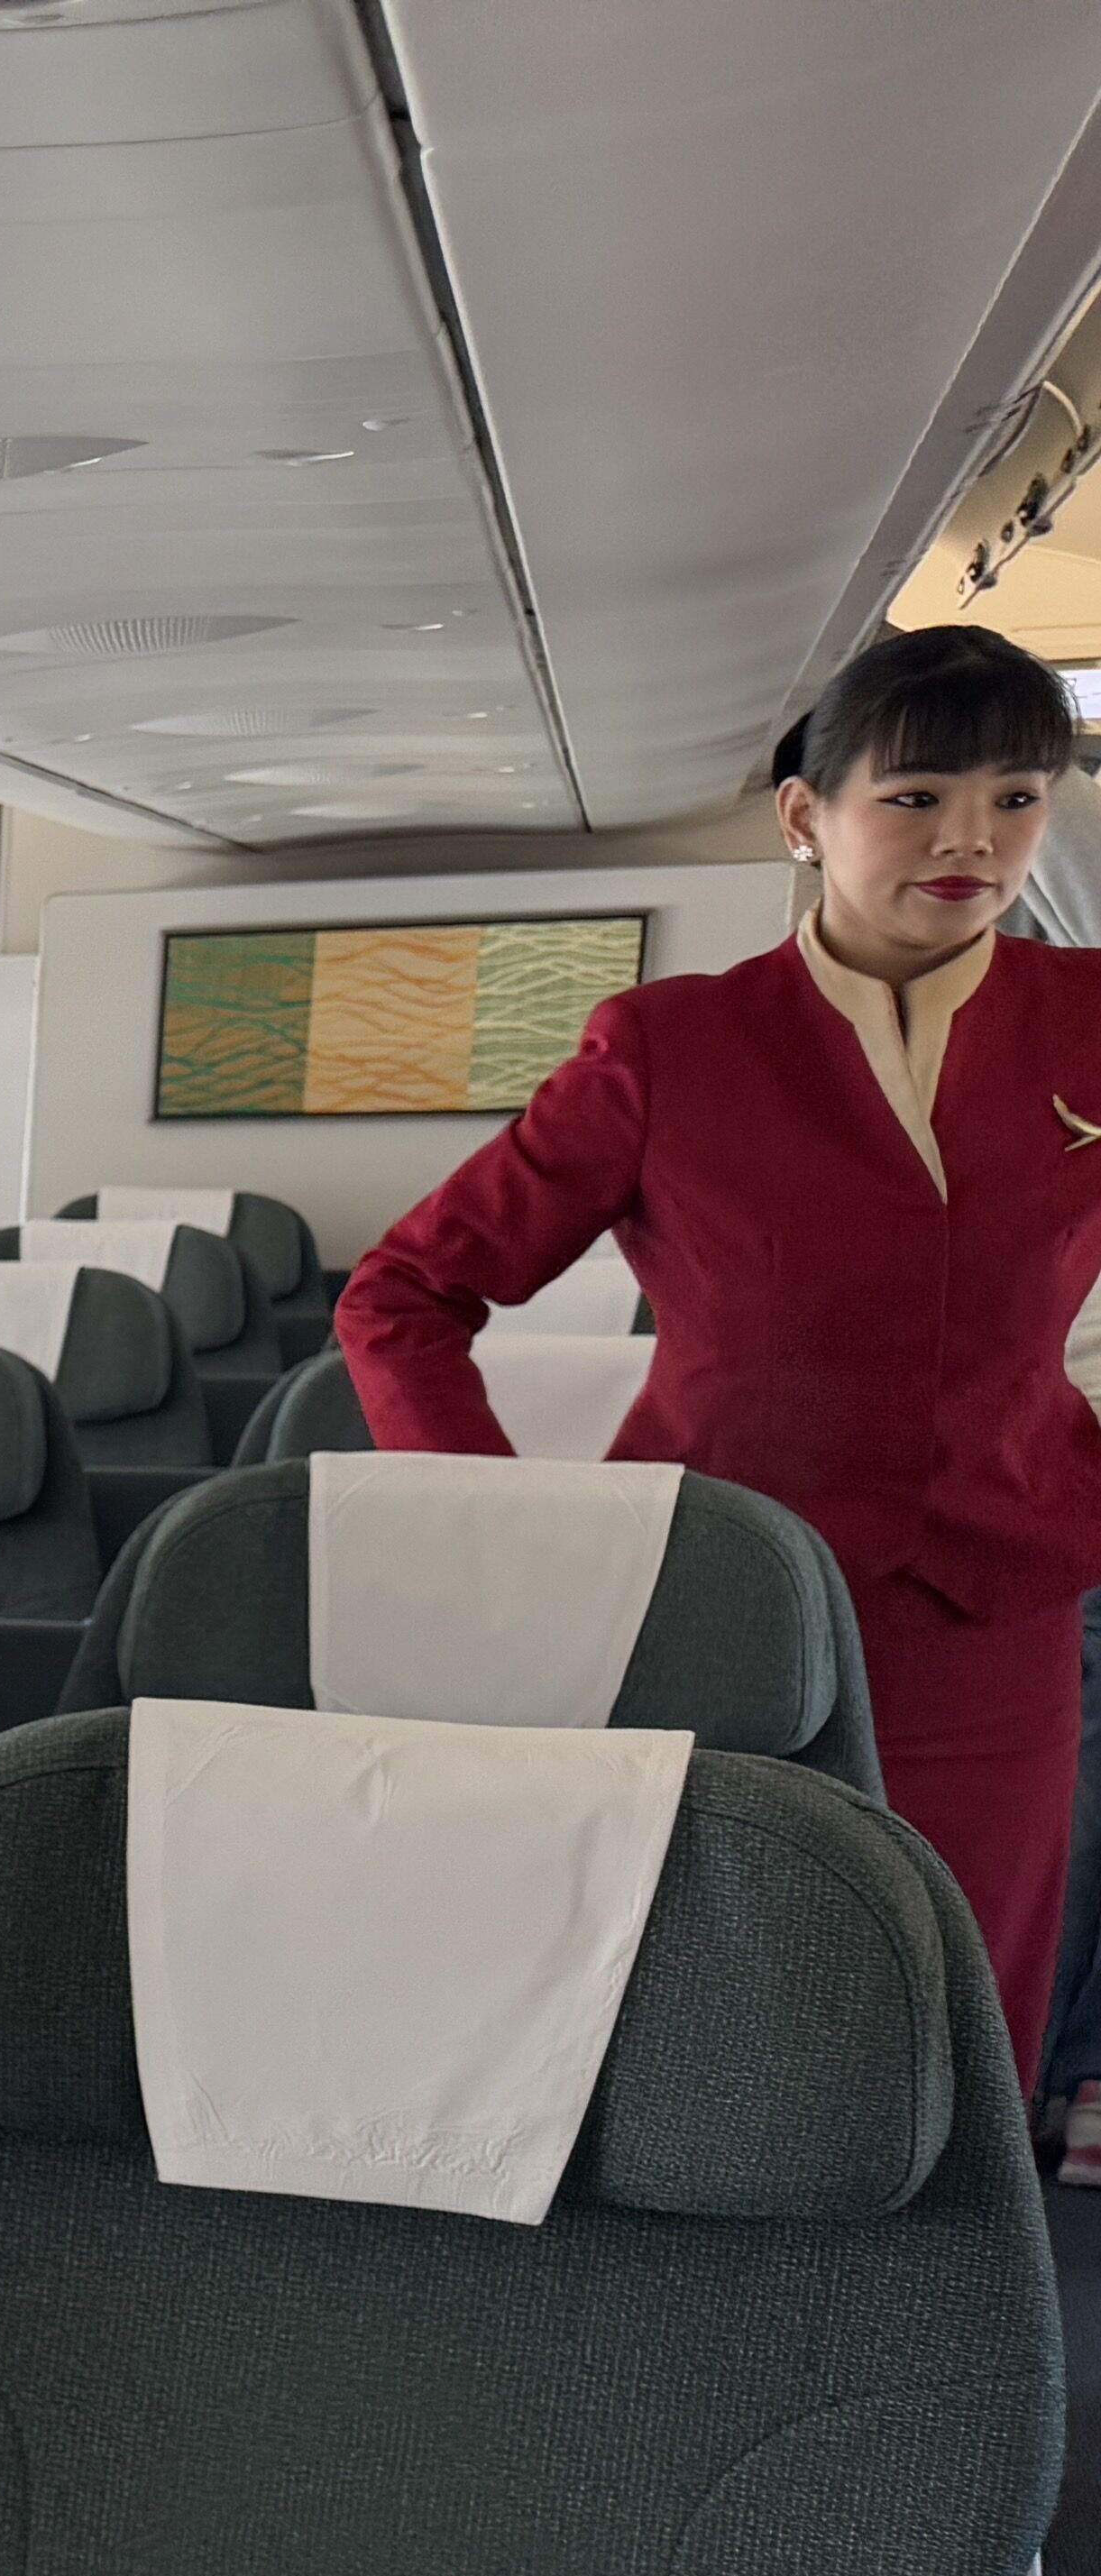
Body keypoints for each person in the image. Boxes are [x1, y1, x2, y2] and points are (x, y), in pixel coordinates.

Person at [337, 622, 1101, 2087]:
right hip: (722, 1598)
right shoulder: (668, 1047)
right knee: (721, 1998)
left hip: (992, 1611)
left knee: (962, 2007)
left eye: (1015, 797)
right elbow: (404, 1294)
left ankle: (966, 2242)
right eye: (917, 796)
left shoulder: (1089, 1021)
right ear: (805, 816)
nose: (972, 838)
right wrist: (514, 1525)